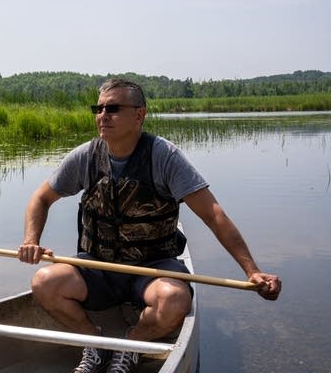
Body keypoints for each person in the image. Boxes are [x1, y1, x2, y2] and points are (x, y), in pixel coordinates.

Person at [17, 79, 282, 373]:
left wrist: (252, 271)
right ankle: (95, 342)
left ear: (140, 115)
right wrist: (31, 239)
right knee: (44, 283)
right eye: (99, 107)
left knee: (175, 299)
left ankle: (131, 345)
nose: (103, 115)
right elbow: (40, 198)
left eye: (113, 108)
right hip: (98, 265)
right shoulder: (86, 156)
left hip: (153, 268)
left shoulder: (163, 157)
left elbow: (214, 215)